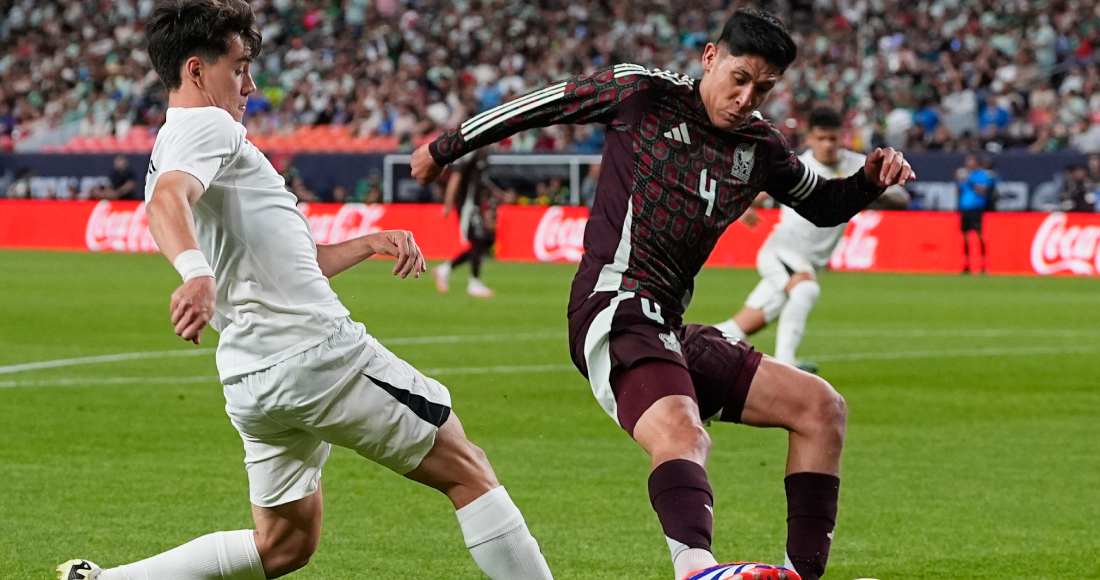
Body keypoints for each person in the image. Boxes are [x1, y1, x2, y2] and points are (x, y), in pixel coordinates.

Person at [57, 3, 555, 580]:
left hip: (252, 379)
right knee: (467, 468)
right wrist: (195, 271)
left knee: (284, 545)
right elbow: (168, 200)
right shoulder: (208, 126)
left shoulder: (180, 139)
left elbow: (290, 264)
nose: (251, 84)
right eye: (239, 67)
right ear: (196, 71)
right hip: (316, 357)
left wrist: (367, 243)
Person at [410, 9, 914, 580]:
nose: (748, 97)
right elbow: (542, 104)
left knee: (821, 408)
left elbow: (821, 203)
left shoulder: (760, 147)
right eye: (739, 77)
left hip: (667, 325)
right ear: (709, 58)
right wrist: (445, 147)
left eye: (765, 87)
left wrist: (869, 181)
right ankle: (695, 570)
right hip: (613, 303)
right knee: (683, 431)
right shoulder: (641, 94)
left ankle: (802, 575)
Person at [712, 107, 910, 372]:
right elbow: (757, 194)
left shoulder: (857, 165)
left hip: (811, 260)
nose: (828, 145)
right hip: (783, 249)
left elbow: (902, 198)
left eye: (833, 138)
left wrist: (878, 188)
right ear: (809, 139)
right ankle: (786, 365)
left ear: (843, 137)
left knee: (741, 326)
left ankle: (692, 346)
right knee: (806, 290)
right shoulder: (798, 167)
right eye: (821, 138)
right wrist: (745, 207)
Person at [433, 147, 500, 297]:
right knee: (479, 241)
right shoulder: (470, 153)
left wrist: (499, 195)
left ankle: (445, 270)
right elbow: (456, 176)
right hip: (467, 206)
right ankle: (473, 283)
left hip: (475, 206)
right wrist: (448, 203)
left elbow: (482, 183)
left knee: (482, 242)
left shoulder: (483, 156)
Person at [956, 154, 996, 273]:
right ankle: (967, 264)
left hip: (976, 209)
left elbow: (982, 190)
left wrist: (970, 181)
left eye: (971, 160)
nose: (969, 163)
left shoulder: (982, 175)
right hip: (965, 209)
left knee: (980, 236)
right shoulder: (965, 176)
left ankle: (983, 264)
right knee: (965, 237)